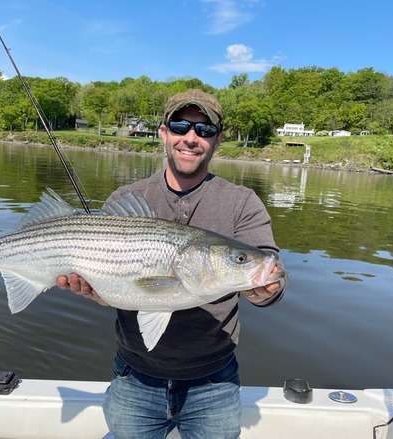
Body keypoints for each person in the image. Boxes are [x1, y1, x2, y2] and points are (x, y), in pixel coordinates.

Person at [56, 89, 287, 438]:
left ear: (218, 139)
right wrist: (93, 291)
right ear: (164, 132)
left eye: (204, 130)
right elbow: (115, 294)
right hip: (134, 378)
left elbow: (271, 275)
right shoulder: (127, 199)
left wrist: (264, 289)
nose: (191, 138)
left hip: (214, 383)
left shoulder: (242, 202)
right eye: (180, 126)